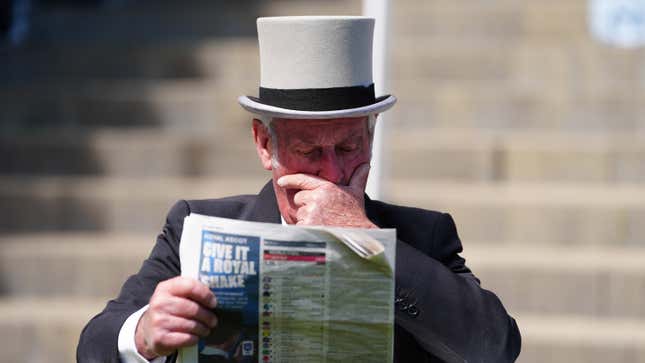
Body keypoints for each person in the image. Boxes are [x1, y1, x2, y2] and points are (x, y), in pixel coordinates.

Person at [77, 16, 521, 363]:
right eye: (309, 150)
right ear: (264, 144)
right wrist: (144, 332)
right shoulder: (195, 225)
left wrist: (366, 240)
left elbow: (493, 349)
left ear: (371, 137)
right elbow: (95, 344)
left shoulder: (423, 237)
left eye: (349, 146)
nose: (331, 171)